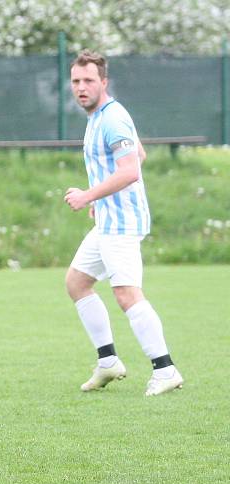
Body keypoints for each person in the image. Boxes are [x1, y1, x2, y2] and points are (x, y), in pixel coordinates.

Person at [65, 50, 183, 396]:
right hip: (108, 220)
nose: (81, 87)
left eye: (88, 80)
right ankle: (107, 362)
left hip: (122, 223)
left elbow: (130, 170)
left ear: (104, 82)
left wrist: (88, 195)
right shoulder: (99, 117)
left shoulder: (112, 118)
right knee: (76, 282)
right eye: (76, 81)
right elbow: (138, 156)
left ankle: (165, 369)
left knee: (127, 293)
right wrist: (101, 198)